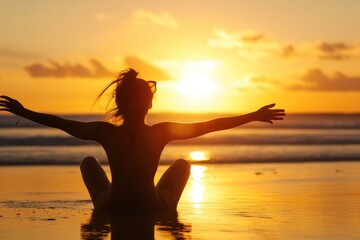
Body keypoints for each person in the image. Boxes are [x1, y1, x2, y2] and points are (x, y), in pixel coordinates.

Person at [0, 68, 285, 212]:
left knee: (88, 163)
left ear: (119, 105)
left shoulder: (106, 133)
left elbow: (61, 123)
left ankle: (95, 226)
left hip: (112, 206)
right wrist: (251, 115)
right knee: (183, 165)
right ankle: (169, 216)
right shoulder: (160, 132)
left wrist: (25, 112)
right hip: (153, 207)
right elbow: (209, 126)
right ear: (149, 105)